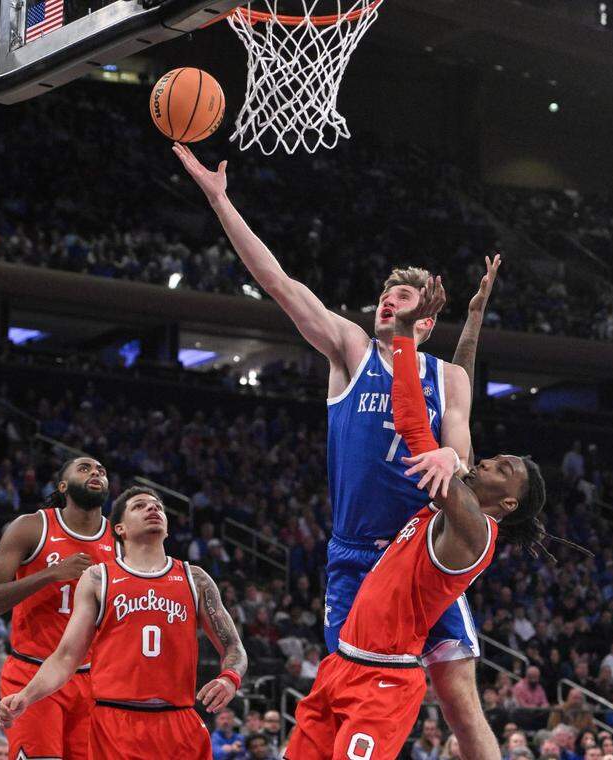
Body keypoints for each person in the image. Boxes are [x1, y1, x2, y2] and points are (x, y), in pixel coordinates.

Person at [175, 142, 505, 760]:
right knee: (347, 696)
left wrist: (452, 460)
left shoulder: (448, 378)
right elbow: (279, 284)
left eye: (402, 298)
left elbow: (461, 455)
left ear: (426, 323)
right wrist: (220, 200)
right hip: (356, 559)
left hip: (422, 554)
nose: (388, 300)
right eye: (385, 292)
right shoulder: (350, 349)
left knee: (461, 700)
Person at [284, 282, 546, 760]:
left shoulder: (460, 513)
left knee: (461, 703)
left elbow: (412, 422)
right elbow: (455, 389)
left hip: (388, 662)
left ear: (508, 504)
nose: (485, 462)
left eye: (501, 469)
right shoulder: (459, 503)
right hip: (362, 601)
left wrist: (403, 336)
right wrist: (472, 324)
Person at [0, 486, 247, 759]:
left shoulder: (195, 578)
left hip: (179, 721)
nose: (153, 509)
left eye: (158, 507)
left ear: (167, 528)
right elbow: (66, 657)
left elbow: (234, 646)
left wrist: (230, 678)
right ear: (120, 529)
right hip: (115, 722)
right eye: (139, 506)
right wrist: (26, 696)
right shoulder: (98, 578)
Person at [0, 457, 118, 760]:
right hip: (33, 671)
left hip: (93, 679)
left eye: (101, 471)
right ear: (63, 486)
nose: (96, 473)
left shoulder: (120, 538)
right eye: (85, 468)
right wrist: (50, 574)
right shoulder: (32, 527)